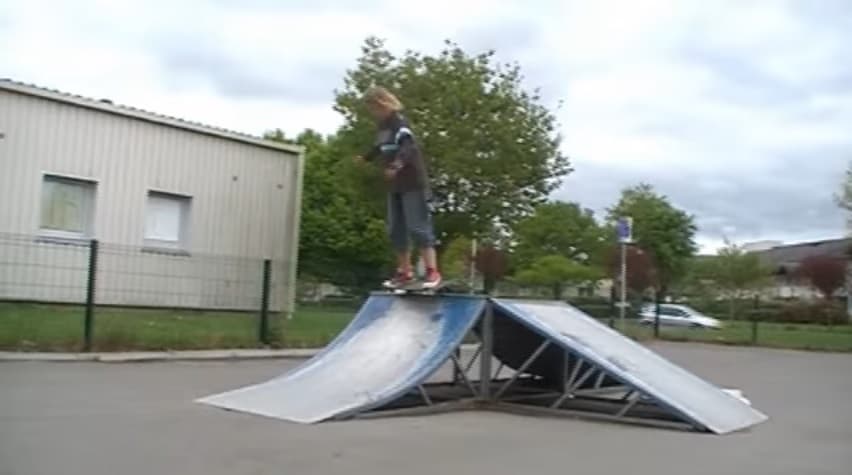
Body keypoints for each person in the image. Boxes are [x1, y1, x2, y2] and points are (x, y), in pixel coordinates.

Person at [354, 86, 442, 289]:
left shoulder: (399, 123)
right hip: (395, 186)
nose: (373, 114)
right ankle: (405, 272)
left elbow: (408, 147)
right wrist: (365, 158)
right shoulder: (383, 128)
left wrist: (396, 165)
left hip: (412, 183)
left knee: (418, 226)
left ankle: (432, 271)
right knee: (395, 230)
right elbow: (379, 147)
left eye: (374, 109)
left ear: (383, 104)